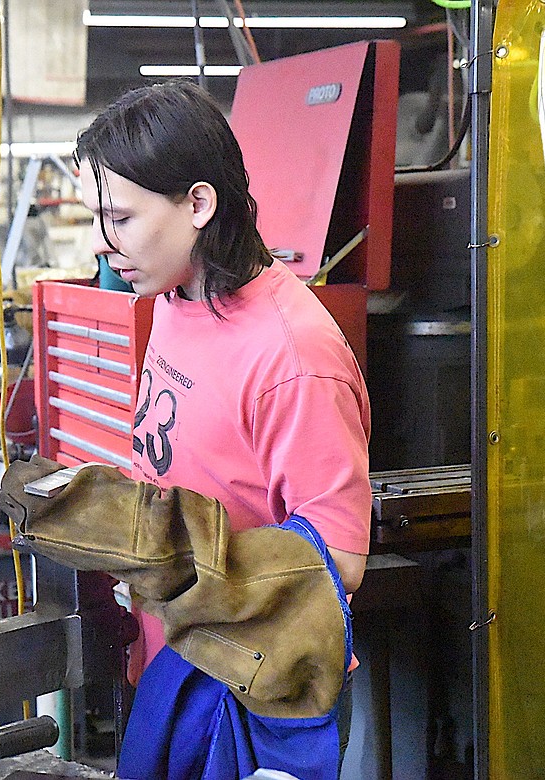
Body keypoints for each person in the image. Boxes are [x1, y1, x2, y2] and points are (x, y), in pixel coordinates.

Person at [74, 80, 371, 779]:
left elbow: (340, 561)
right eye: (93, 216)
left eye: (117, 217)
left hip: (259, 692)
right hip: (181, 657)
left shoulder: (294, 357)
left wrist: (176, 555)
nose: (99, 243)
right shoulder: (178, 296)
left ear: (199, 204)